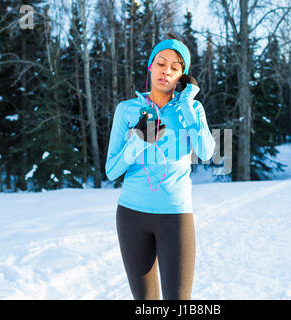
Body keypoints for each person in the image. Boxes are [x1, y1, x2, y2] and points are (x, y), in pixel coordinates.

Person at [105, 37, 215, 300]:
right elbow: (111, 170)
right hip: (131, 215)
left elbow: (207, 152)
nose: (166, 70)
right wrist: (138, 142)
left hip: (175, 216)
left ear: (182, 76)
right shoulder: (127, 110)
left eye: (175, 67)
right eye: (161, 63)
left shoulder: (192, 108)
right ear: (150, 67)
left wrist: (188, 106)